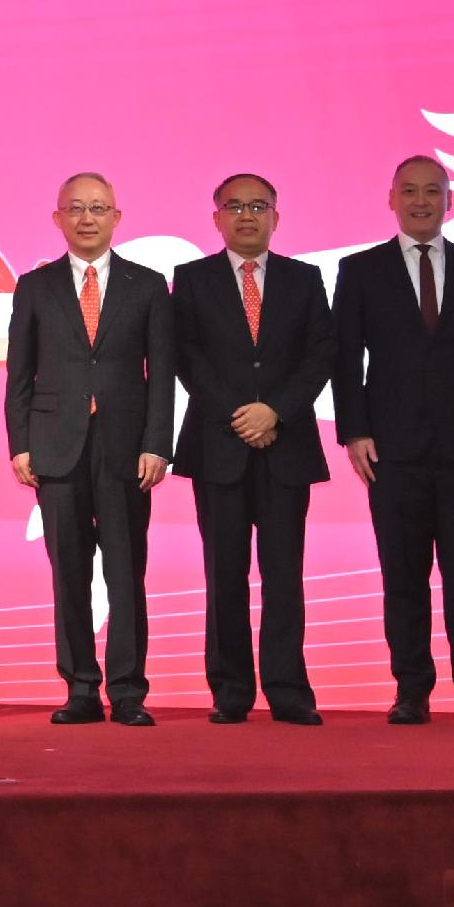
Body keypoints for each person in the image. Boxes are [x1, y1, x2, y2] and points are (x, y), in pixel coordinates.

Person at [332, 154, 454, 726]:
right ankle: (411, 690)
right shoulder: (360, 270)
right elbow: (346, 361)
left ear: (450, 200)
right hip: (391, 452)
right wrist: (355, 431)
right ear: (391, 199)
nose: (421, 201)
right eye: (409, 191)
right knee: (403, 579)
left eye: (432, 191)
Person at [2, 172, 177, 726]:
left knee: (127, 572)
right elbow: (20, 374)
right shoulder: (36, 286)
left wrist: (157, 445)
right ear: (58, 218)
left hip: (127, 448)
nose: (87, 217)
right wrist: (20, 445)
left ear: (116, 218)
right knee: (69, 573)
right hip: (56, 447)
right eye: (75, 208)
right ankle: (80, 687)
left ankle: (127, 690)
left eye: (98, 208)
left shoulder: (147, 286)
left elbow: (162, 375)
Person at [168, 172, 334, 726]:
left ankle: (288, 689)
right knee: (225, 572)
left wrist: (276, 411)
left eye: (257, 206)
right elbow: (187, 357)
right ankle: (231, 689)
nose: (246, 215)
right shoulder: (190, 280)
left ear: (276, 217)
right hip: (219, 444)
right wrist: (240, 415)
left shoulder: (304, 279)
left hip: (286, 445)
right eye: (234, 206)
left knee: (285, 572)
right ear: (216, 217)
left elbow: (319, 356)